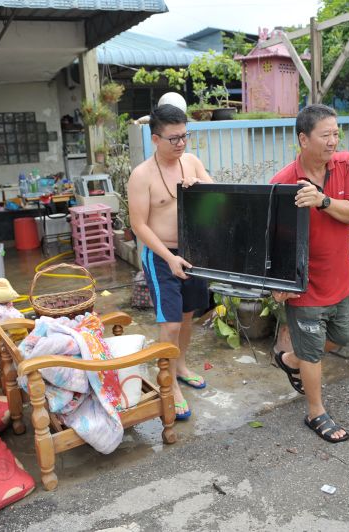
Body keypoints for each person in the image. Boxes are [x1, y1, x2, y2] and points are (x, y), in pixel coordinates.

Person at [270, 104, 349, 443]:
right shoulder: (282, 183)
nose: (332, 141)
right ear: (303, 139)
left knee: (339, 336)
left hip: (339, 277)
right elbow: (274, 238)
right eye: (325, 135)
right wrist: (278, 282)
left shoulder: (346, 164)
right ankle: (315, 411)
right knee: (313, 351)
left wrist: (322, 201)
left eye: (336, 133)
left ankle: (289, 358)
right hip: (304, 284)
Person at [127, 104, 214, 420]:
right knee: (171, 322)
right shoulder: (141, 175)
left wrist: (200, 188)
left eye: (184, 137)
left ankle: (179, 367)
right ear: (155, 139)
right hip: (160, 255)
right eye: (173, 138)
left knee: (188, 315)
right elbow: (139, 225)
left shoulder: (191, 162)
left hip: (193, 251)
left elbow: (218, 193)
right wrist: (169, 258)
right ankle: (171, 387)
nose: (180, 144)